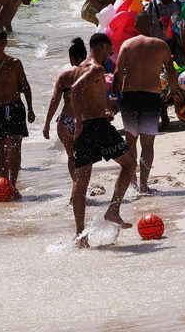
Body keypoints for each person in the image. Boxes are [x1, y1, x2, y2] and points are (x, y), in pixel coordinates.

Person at [70, 33, 136, 248]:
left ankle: (80, 235)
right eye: (110, 51)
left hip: (87, 127)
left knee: (81, 182)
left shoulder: (80, 67)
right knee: (130, 164)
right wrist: (78, 120)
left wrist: (105, 108)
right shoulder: (97, 68)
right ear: (104, 47)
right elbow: (75, 89)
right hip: (96, 127)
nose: (110, 56)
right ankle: (113, 210)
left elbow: (86, 93)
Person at [114, 11, 181, 192]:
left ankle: (132, 182)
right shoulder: (161, 45)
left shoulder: (127, 45)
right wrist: (173, 93)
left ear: (135, 27)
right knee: (148, 143)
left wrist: (113, 98)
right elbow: (171, 73)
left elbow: (117, 74)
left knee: (130, 141)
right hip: (152, 96)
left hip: (130, 96)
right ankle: (144, 185)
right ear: (152, 25)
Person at [0, 28, 35, 200]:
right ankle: (4, 184)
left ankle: (13, 185)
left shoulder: (14, 63)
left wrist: (30, 108)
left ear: (6, 43)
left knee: (15, 147)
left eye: (2, 42)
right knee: (1, 150)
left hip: (15, 106)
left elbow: (25, 86)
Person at [43, 37, 87, 191]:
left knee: (71, 156)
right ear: (85, 56)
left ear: (71, 58)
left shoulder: (63, 75)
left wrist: (47, 124)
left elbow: (55, 100)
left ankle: (76, 187)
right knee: (84, 157)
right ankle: (82, 188)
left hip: (65, 121)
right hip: (84, 120)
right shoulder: (90, 72)